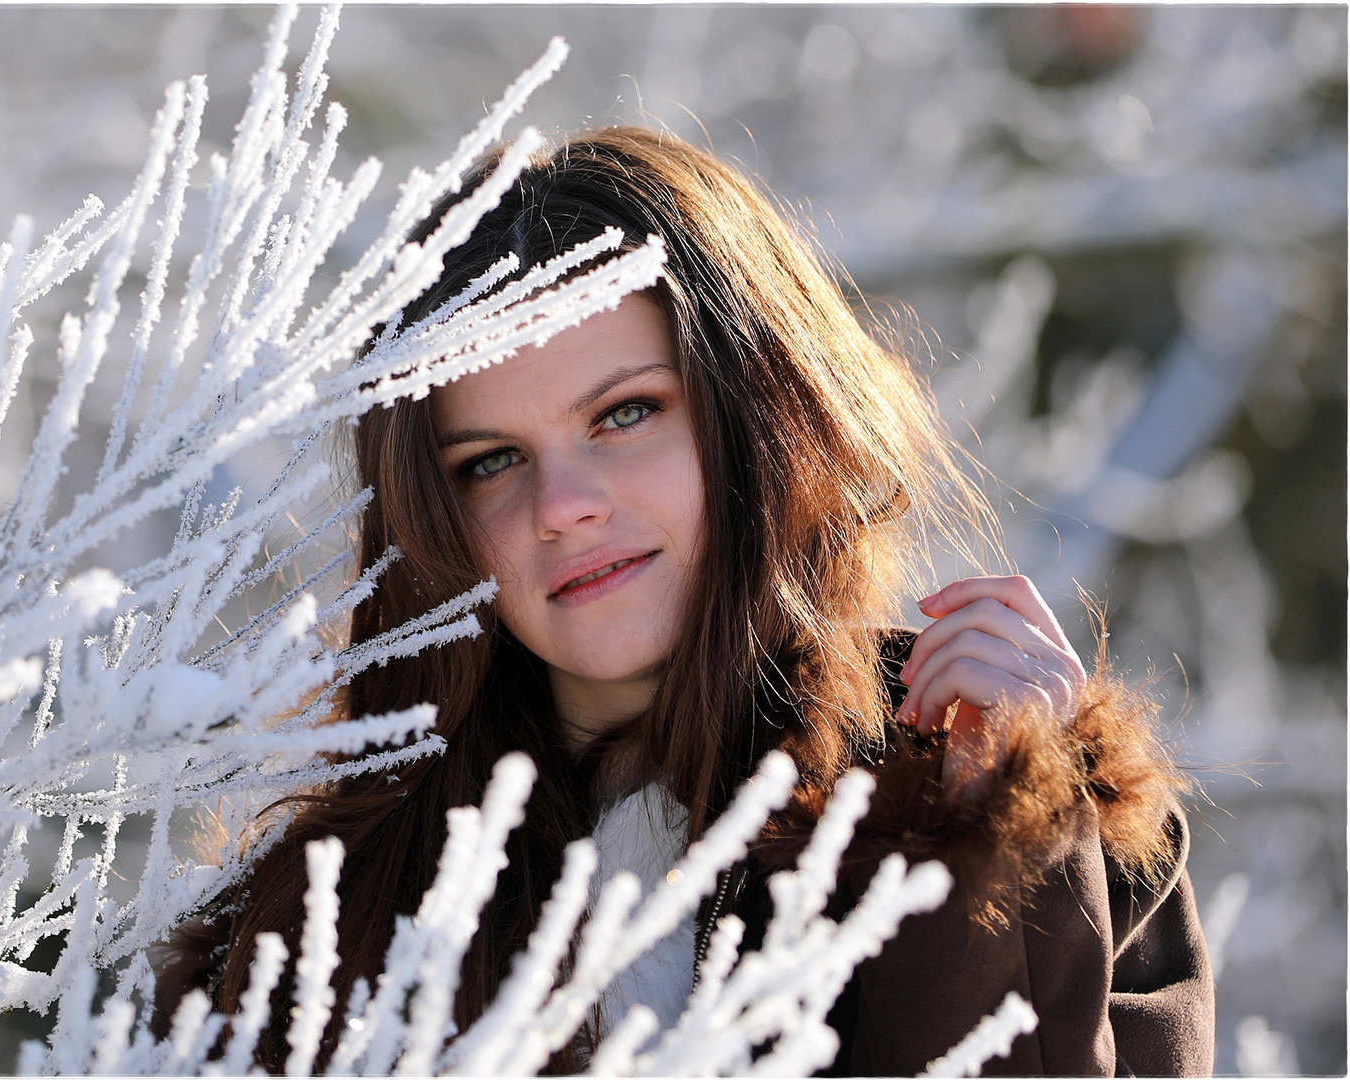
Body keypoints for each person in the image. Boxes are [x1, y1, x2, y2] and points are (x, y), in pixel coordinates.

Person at [156, 126, 1214, 1075]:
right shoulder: (313, 935)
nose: (563, 507)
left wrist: (989, 849)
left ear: (766, 413)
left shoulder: (1028, 811)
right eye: (488, 462)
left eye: (624, 414)